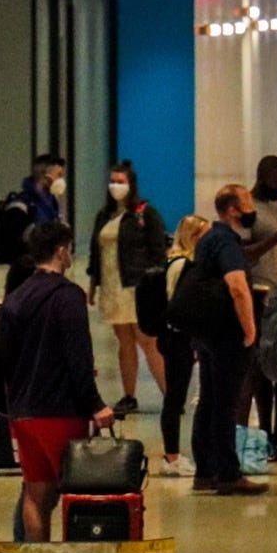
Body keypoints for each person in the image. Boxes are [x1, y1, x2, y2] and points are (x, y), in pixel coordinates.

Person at [0, 221, 114, 542]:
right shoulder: (68, 297)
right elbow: (78, 358)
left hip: (23, 413)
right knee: (74, 492)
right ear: (62, 251)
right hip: (61, 411)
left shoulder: (15, 298)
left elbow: (0, 359)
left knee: (35, 495)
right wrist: (95, 404)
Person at [187, 183, 265, 495]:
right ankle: (228, 472)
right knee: (226, 403)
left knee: (209, 399)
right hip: (227, 334)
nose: (251, 209)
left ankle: (205, 469)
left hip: (206, 332)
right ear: (233, 210)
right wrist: (249, 329)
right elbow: (237, 286)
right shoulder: (228, 244)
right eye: (246, 203)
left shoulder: (207, 238)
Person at [87, 160, 169, 418]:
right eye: (112, 181)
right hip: (112, 286)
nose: (115, 186)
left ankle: (171, 394)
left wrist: (155, 285)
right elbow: (95, 251)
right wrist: (93, 283)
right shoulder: (104, 215)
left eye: (120, 181)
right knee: (124, 341)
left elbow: (158, 252)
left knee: (147, 341)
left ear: (131, 185)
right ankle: (129, 395)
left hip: (138, 286)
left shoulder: (145, 214)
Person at [245, 155, 277, 446]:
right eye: (276, 182)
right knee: (260, 368)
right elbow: (245, 251)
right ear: (262, 178)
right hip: (257, 291)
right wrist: (276, 238)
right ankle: (265, 429)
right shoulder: (249, 210)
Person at [154, 214, 209, 477]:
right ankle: (171, 455)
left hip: (182, 337)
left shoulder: (190, 263)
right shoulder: (180, 265)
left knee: (178, 396)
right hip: (176, 338)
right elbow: (176, 302)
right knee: (174, 397)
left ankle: (174, 453)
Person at [21, 151, 69, 230]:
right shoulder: (24, 204)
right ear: (45, 175)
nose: (61, 179)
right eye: (59, 175)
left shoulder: (52, 202)